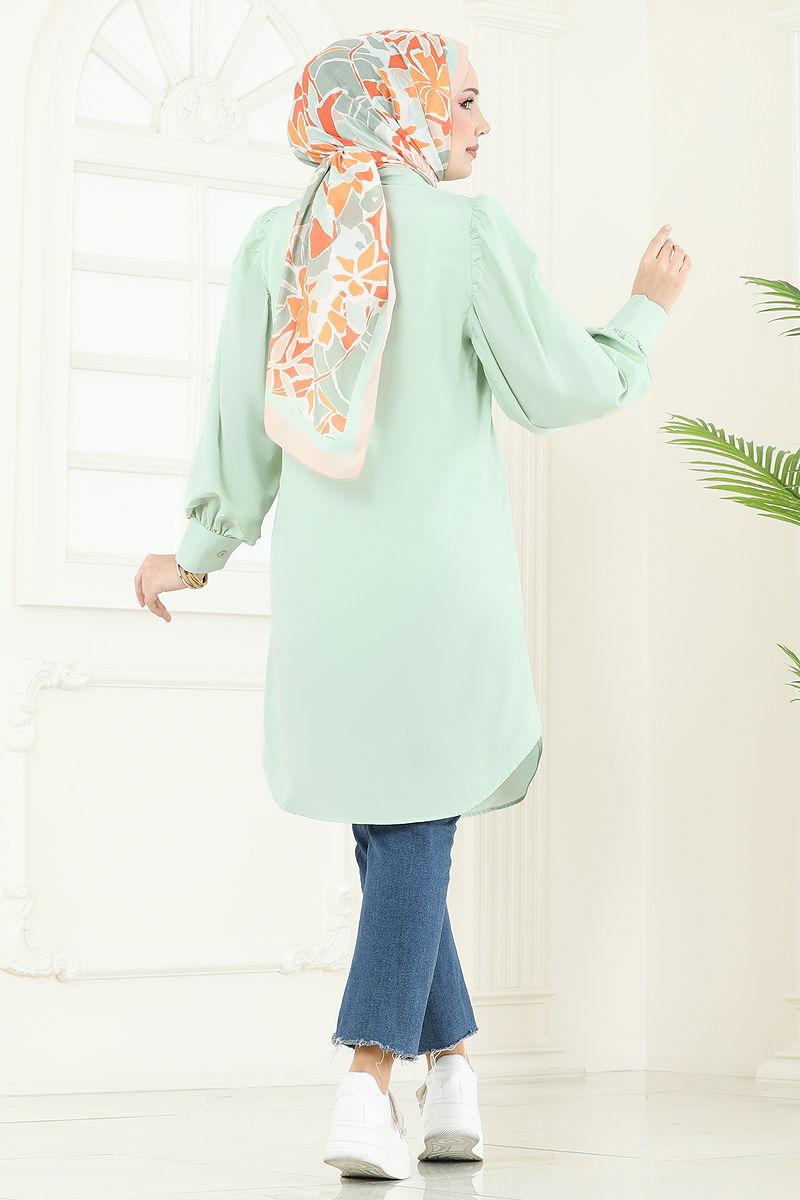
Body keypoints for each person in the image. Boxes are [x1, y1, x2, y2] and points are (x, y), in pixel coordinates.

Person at [134, 27, 690, 1182]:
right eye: (463, 101)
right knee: (411, 823)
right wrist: (641, 312)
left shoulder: (275, 241)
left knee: (395, 825)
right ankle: (367, 1084)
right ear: (402, 107)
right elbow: (556, 385)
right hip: (444, 591)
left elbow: (240, 421)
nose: (482, 124)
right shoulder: (468, 233)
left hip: (331, 600)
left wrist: (196, 551)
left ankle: (455, 1081)